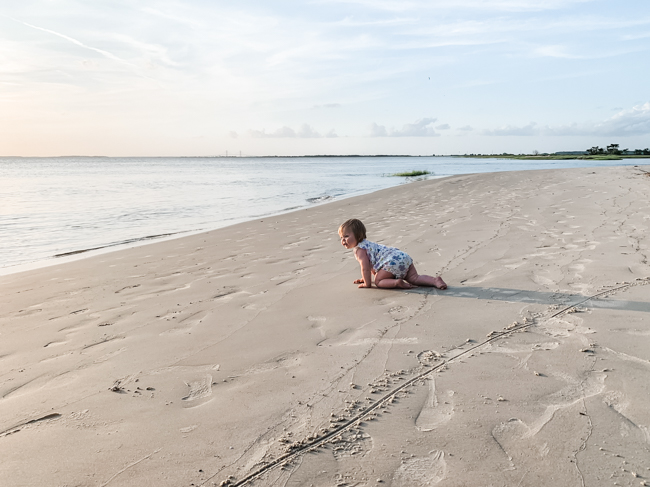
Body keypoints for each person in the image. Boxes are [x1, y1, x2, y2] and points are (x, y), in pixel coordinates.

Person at [338, 218, 447, 290]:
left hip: (391, 262)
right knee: (414, 278)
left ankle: (397, 283)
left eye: (346, 236)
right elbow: (374, 266)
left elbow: (365, 268)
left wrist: (367, 283)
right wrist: (365, 277)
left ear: (358, 235)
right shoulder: (368, 245)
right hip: (403, 257)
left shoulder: (360, 250)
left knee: (379, 281)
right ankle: (435, 280)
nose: (343, 240)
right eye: (341, 238)